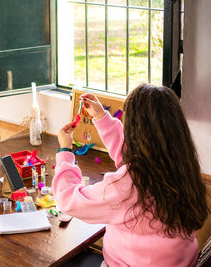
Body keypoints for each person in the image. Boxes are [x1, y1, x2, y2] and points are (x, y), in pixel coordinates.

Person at [52, 84, 208, 266]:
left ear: (135, 131)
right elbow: (131, 154)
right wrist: (101, 117)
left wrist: (64, 151)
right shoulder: (181, 165)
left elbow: (67, 199)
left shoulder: (128, 185)